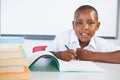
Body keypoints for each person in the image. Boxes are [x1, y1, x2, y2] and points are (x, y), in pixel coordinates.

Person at [46, 5, 120, 64]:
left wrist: (91, 56)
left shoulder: (101, 43)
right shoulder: (63, 37)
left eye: (90, 23)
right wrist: (59, 55)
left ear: (97, 26)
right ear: (73, 25)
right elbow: (43, 55)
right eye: (79, 23)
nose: (84, 27)